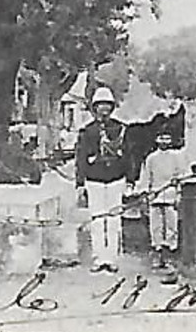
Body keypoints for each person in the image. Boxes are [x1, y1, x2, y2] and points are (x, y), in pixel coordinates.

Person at [75, 86, 130, 273]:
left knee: (114, 219)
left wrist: (130, 180)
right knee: (97, 220)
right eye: (100, 105)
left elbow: (129, 156)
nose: (104, 108)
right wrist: (80, 183)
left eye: (107, 104)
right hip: (94, 179)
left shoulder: (120, 128)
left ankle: (112, 258)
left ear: (112, 107)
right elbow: (80, 158)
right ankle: (99, 259)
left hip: (116, 178)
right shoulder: (87, 131)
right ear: (94, 107)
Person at [138, 129, 188, 273]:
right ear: (157, 140)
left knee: (171, 227)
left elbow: (182, 176)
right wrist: (145, 193)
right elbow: (146, 177)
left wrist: (178, 194)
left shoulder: (176, 157)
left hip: (170, 195)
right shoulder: (151, 158)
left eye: (167, 138)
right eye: (161, 138)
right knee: (156, 227)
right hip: (155, 196)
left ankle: (170, 255)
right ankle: (157, 254)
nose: (164, 141)